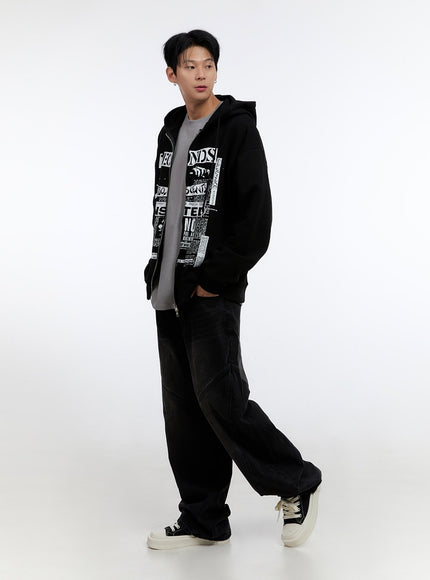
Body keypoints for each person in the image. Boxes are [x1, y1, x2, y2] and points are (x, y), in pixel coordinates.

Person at [144, 29, 322, 550]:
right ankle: (203, 518)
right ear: (172, 74)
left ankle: (298, 482)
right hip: (169, 293)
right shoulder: (170, 130)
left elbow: (256, 218)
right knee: (184, 412)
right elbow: (167, 207)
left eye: (209, 64)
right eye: (190, 65)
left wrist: (215, 280)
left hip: (211, 293)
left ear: (216, 71)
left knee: (223, 400)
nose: (201, 74)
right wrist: (157, 271)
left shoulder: (237, 129)